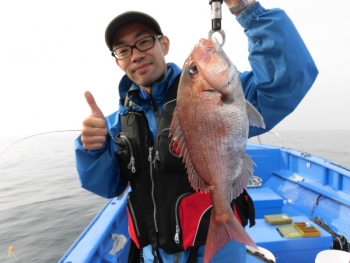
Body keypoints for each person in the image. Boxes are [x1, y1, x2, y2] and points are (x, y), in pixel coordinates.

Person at [75, 0, 318, 262]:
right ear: (119, 62)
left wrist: (248, 11)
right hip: (154, 254)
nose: (135, 54)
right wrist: (93, 150)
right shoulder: (115, 124)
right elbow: (107, 186)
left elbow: (288, 79)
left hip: (218, 254)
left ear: (163, 44)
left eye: (143, 41)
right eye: (123, 50)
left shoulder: (221, 93)